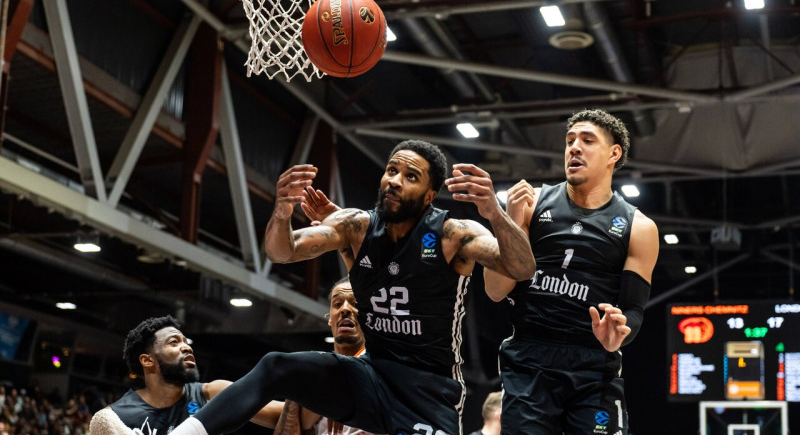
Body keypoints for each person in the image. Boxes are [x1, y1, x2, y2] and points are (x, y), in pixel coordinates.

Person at [165, 139, 535, 435]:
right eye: (391, 170)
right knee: (276, 365)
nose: (394, 180)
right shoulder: (356, 227)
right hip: (371, 377)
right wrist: (281, 211)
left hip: (428, 392)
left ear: (428, 196)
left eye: (410, 176)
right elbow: (283, 251)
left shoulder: (453, 234)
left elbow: (522, 266)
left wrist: (495, 213)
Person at [484, 109, 660, 435]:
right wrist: (509, 222)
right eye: (569, 141)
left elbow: (633, 311)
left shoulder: (639, 227)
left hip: (593, 365)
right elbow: (495, 290)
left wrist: (618, 334)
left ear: (614, 153)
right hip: (530, 359)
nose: (574, 147)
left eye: (587, 140)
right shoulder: (531, 202)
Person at [88, 316, 283, 435]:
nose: (187, 347)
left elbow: (278, 414)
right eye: (174, 342)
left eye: (186, 341)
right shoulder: (115, 417)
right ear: (148, 361)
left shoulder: (211, 393)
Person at [273, 277, 384, 435]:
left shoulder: (384, 368)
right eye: (337, 304)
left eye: (355, 303)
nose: (345, 309)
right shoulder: (317, 376)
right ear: (330, 319)